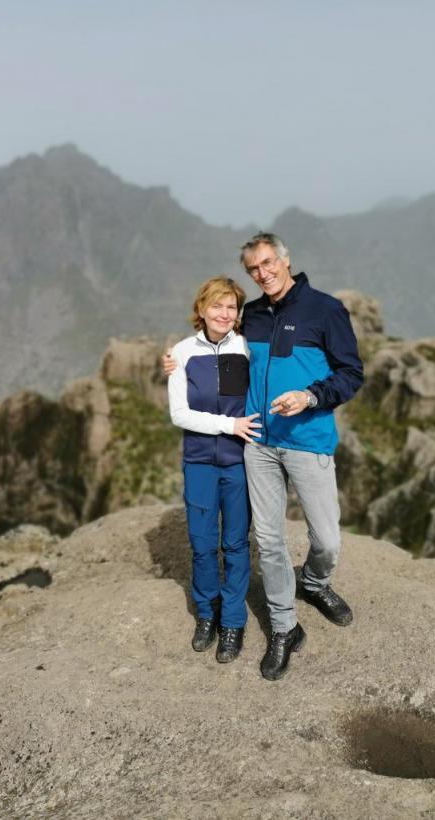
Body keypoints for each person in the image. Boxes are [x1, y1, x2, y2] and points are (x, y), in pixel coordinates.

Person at [238, 232, 364, 681]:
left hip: (308, 442)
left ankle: (313, 583)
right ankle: (284, 628)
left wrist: (310, 397)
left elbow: (351, 374)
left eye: (269, 263)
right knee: (269, 541)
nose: (263, 273)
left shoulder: (325, 310)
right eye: (254, 269)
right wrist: (179, 361)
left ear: (286, 260)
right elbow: (221, 355)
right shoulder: (249, 316)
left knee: (327, 540)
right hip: (259, 444)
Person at [167, 276, 261, 663]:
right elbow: (179, 414)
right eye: (217, 306)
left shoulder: (247, 348)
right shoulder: (182, 352)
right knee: (203, 545)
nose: (225, 314)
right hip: (200, 462)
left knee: (237, 544)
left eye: (232, 307)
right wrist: (229, 425)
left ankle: (234, 622)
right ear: (202, 309)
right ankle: (207, 614)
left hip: (240, 463)